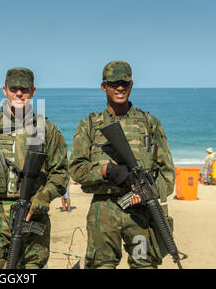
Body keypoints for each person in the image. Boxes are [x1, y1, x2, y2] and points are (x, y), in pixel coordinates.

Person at [69, 61, 175, 269]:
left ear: (131, 84)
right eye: (114, 83)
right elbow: (76, 169)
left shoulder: (149, 123)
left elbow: (167, 173)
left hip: (140, 216)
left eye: (125, 83)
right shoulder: (89, 125)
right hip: (103, 212)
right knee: (101, 265)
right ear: (104, 86)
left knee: (143, 264)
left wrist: (147, 194)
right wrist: (107, 171)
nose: (120, 88)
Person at [0, 67, 69, 269]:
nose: (19, 93)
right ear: (5, 90)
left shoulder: (47, 129)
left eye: (25, 89)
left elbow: (61, 173)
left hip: (33, 220)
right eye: (14, 88)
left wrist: (43, 196)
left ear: (33, 91)